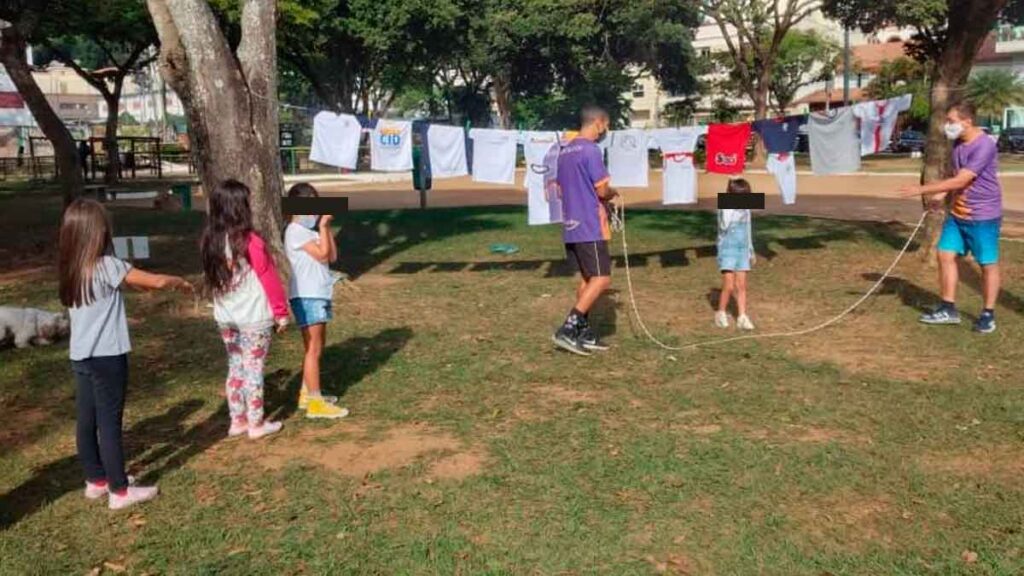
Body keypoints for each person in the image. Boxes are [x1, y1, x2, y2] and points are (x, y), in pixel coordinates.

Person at [58, 198, 192, 510]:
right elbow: (156, 281)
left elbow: (129, 285)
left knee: (87, 419)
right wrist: (179, 282)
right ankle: (119, 491)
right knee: (109, 423)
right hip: (107, 358)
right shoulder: (107, 265)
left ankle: (96, 480)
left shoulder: (71, 268)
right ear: (98, 233)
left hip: (81, 357)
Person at [898, 101, 1002, 333]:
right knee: (945, 254)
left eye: (952, 121)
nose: (948, 126)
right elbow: (953, 176)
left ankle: (988, 314)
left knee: (987, 264)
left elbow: (962, 180)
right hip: (958, 213)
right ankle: (948, 308)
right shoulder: (957, 144)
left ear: (968, 121)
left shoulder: (984, 145)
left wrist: (922, 189)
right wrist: (941, 195)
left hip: (982, 215)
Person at [200, 179, 290, 439]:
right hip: (254, 317)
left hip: (226, 317)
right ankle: (256, 423)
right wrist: (281, 312)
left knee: (236, 366)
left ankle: (237, 420)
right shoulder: (251, 241)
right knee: (254, 369)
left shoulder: (210, 241)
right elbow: (269, 278)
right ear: (241, 208)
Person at [551, 106, 619, 356]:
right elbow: (602, 190)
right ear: (599, 122)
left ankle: (584, 332)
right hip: (590, 224)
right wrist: (614, 193)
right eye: (606, 125)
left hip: (571, 225)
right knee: (602, 278)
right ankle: (568, 328)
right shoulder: (591, 150)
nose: (606, 130)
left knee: (587, 280)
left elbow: (559, 190)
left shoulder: (565, 150)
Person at [284, 183, 349, 419]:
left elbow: (331, 255)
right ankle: (315, 402)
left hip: (319, 292)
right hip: (307, 294)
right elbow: (321, 254)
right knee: (312, 348)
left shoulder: (310, 231)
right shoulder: (295, 230)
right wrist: (321, 225)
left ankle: (307, 393)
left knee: (318, 346)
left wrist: (325, 227)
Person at [715, 178, 756, 331]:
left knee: (742, 285)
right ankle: (720, 313)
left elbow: (748, 229)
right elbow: (724, 225)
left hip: (742, 249)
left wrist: (751, 250)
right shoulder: (725, 208)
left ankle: (742, 316)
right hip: (727, 249)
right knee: (729, 286)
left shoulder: (746, 210)